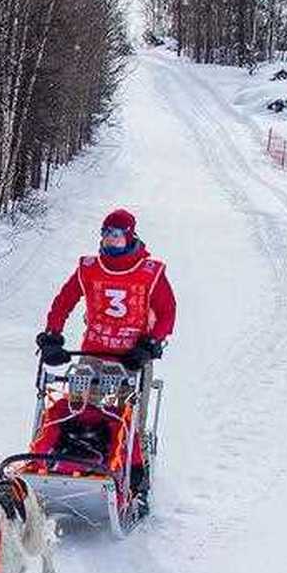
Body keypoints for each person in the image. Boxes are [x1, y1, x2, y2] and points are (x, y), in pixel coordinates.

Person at [29, 208, 177, 506]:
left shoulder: (150, 272)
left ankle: (137, 482)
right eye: (106, 234)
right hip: (93, 351)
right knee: (78, 409)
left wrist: (152, 343)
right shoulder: (89, 268)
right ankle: (68, 464)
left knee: (129, 415)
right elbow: (64, 301)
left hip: (132, 357)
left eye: (117, 235)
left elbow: (167, 311)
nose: (110, 241)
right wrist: (52, 335)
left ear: (130, 237)